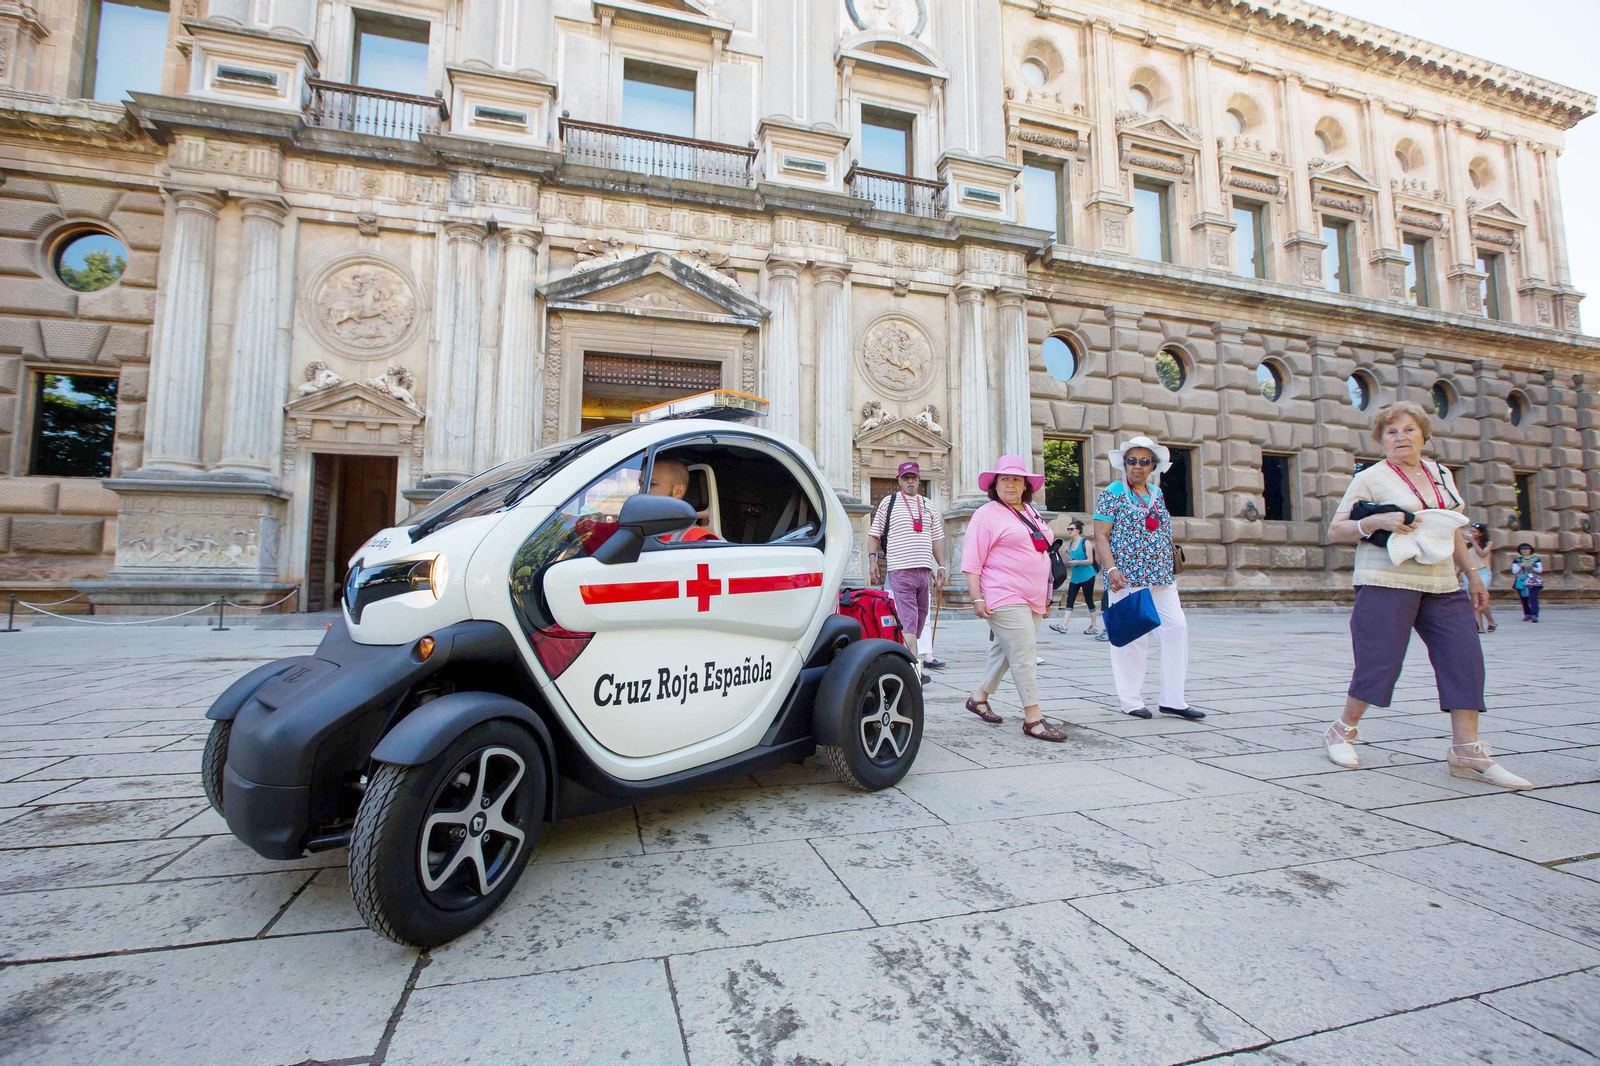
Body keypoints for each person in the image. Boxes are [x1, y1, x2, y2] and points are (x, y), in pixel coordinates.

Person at [1324, 401, 1531, 789]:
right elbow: (1337, 530)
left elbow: (1453, 528)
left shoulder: (1441, 474)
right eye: (1391, 432)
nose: (1400, 438)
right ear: (1381, 440)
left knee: (1464, 657)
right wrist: (1373, 521)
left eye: (1408, 430)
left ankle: (1466, 750)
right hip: (1386, 580)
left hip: (1442, 583)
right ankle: (1343, 729)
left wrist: (1473, 576)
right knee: (1379, 661)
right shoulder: (1370, 477)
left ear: (1423, 435)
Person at [1092, 437, 1202, 721]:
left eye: (1144, 461)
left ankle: (1173, 699)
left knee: (1176, 628)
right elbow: (1101, 535)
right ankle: (1130, 700)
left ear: (1153, 466)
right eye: (1131, 461)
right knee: (1133, 638)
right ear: (1124, 464)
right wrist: (1111, 569)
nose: (1137, 467)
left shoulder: (1156, 492)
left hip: (1161, 576)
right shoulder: (1113, 492)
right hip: (1127, 578)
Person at [962, 455, 1067, 742]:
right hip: (1002, 593)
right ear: (994, 485)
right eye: (1004, 479)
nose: (1010, 484)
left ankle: (979, 698)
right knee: (1023, 652)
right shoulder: (986, 514)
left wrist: (1046, 596)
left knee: (1007, 651)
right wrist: (976, 598)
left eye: (1016, 479)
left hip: (1033, 595)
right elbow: (972, 560)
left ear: (1026, 486)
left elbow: (1043, 552)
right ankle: (1033, 718)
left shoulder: (1032, 512)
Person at [867, 462, 947, 676]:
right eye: (906, 478)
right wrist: (872, 560)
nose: (910, 481)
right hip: (900, 570)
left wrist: (941, 565)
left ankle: (904, 660)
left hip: (924, 571)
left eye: (913, 477)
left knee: (919, 621)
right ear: (899, 480)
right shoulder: (888, 502)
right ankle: (914, 672)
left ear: (919, 480)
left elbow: (937, 538)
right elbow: (874, 534)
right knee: (909, 621)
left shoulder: (928, 505)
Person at [1049, 519, 1104, 639]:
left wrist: (1077, 561)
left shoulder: (1086, 543)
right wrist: (1067, 553)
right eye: (1068, 529)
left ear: (1078, 530)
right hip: (1076, 576)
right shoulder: (1071, 544)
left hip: (1087, 575)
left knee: (1089, 600)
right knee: (1070, 600)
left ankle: (1093, 626)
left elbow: (1089, 560)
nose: (1069, 531)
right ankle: (1063, 625)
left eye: (1071, 529)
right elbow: (1072, 559)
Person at [645, 458, 718, 543]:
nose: (642, 490)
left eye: (652, 484)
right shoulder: (638, 529)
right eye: (641, 483)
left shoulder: (694, 538)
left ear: (678, 491)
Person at [1463, 524, 1496, 634]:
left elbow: (1482, 554)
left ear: (1481, 534)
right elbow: (1463, 560)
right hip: (1469, 572)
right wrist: (1456, 572)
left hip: (1483, 572)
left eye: (1475, 532)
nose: (1471, 533)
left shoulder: (1488, 543)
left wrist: (1472, 541)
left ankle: (1490, 621)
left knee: (1480, 595)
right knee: (1474, 599)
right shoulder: (1465, 545)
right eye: (1471, 531)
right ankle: (1480, 627)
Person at [1512, 542, 1543, 623]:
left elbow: (1540, 570)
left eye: (1526, 549)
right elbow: (1514, 571)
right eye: (1522, 549)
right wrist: (1521, 565)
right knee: (1524, 598)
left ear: (1530, 550)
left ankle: (1534, 614)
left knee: (1533, 598)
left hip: (1533, 580)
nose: (1524, 551)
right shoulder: (1517, 560)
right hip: (1521, 580)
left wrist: (1532, 566)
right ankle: (1527, 613)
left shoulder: (1535, 559)